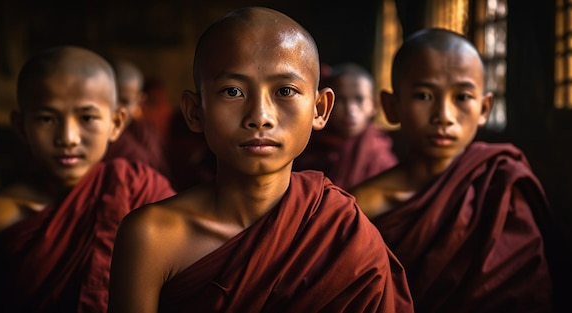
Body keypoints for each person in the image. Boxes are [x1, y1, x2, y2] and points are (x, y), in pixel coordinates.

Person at [107, 6, 414, 313]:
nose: (260, 117)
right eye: (232, 91)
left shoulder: (343, 233)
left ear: (320, 109)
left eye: (285, 90)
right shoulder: (152, 236)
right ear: (194, 111)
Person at [349, 28, 567, 313]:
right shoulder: (360, 206)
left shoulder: (499, 185)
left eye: (462, 97)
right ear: (392, 107)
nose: (444, 116)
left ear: (485, 108)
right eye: (424, 96)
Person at [0, 46, 177, 313]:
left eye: (87, 117)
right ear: (21, 126)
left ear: (117, 123)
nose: (68, 137)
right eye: (47, 119)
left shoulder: (141, 191)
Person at [294, 62, 398, 189]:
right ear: (326, 104)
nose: (350, 110)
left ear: (374, 106)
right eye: (341, 99)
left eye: (359, 99)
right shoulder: (305, 142)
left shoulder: (377, 153)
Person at [103, 59, 170, 177]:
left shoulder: (147, 134)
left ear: (139, 102)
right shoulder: (93, 133)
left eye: (124, 102)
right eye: (111, 99)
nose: (117, 108)